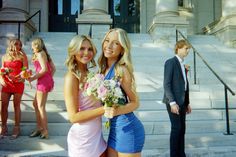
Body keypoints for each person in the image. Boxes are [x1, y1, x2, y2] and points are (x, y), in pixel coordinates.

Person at [98, 28, 145, 157]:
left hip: (128, 128)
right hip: (113, 129)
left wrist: (116, 111)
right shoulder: (101, 71)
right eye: (107, 40)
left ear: (122, 49)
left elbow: (135, 103)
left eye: (116, 43)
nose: (109, 45)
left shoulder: (121, 70)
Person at [64, 35, 107, 157]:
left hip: (97, 135)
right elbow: (73, 117)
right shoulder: (71, 77)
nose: (86, 53)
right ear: (73, 51)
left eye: (90, 49)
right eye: (81, 48)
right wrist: (105, 109)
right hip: (83, 140)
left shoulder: (91, 75)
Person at [163, 39, 192, 157]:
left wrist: (187, 103)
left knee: (182, 128)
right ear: (178, 48)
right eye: (186, 48)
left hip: (182, 101)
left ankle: (181, 154)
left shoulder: (182, 64)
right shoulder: (170, 62)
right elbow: (167, 84)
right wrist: (172, 103)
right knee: (176, 128)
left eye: (188, 49)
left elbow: (184, 85)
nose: (188, 51)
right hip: (173, 101)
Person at [0, 38, 28, 139]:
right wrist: (1, 79)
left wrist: (22, 75)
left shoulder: (22, 56)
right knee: (3, 106)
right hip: (6, 83)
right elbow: (2, 70)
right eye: (16, 44)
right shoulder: (4, 57)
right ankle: (3, 127)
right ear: (11, 45)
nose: (18, 47)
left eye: (20, 45)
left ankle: (17, 128)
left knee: (16, 105)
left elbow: (25, 68)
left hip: (18, 83)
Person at [28, 37, 56, 139]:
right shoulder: (45, 54)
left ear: (36, 45)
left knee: (40, 107)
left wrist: (33, 78)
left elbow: (44, 69)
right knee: (35, 104)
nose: (31, 47)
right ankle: (39, 128)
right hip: (45, 81)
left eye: (32, 45)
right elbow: (53, 69)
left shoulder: (40, 54)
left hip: (43, 82)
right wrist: (49, 78)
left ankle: (45, 131)